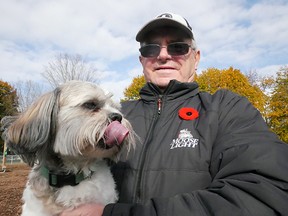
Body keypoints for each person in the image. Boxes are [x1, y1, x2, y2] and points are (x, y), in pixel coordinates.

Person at [61, 12, 288, 216]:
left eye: (177, 47)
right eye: (151, 48)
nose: (163, 56)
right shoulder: (117, 115)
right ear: (142, 60)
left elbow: (264, 194)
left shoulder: (226, 109)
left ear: (196, 57)